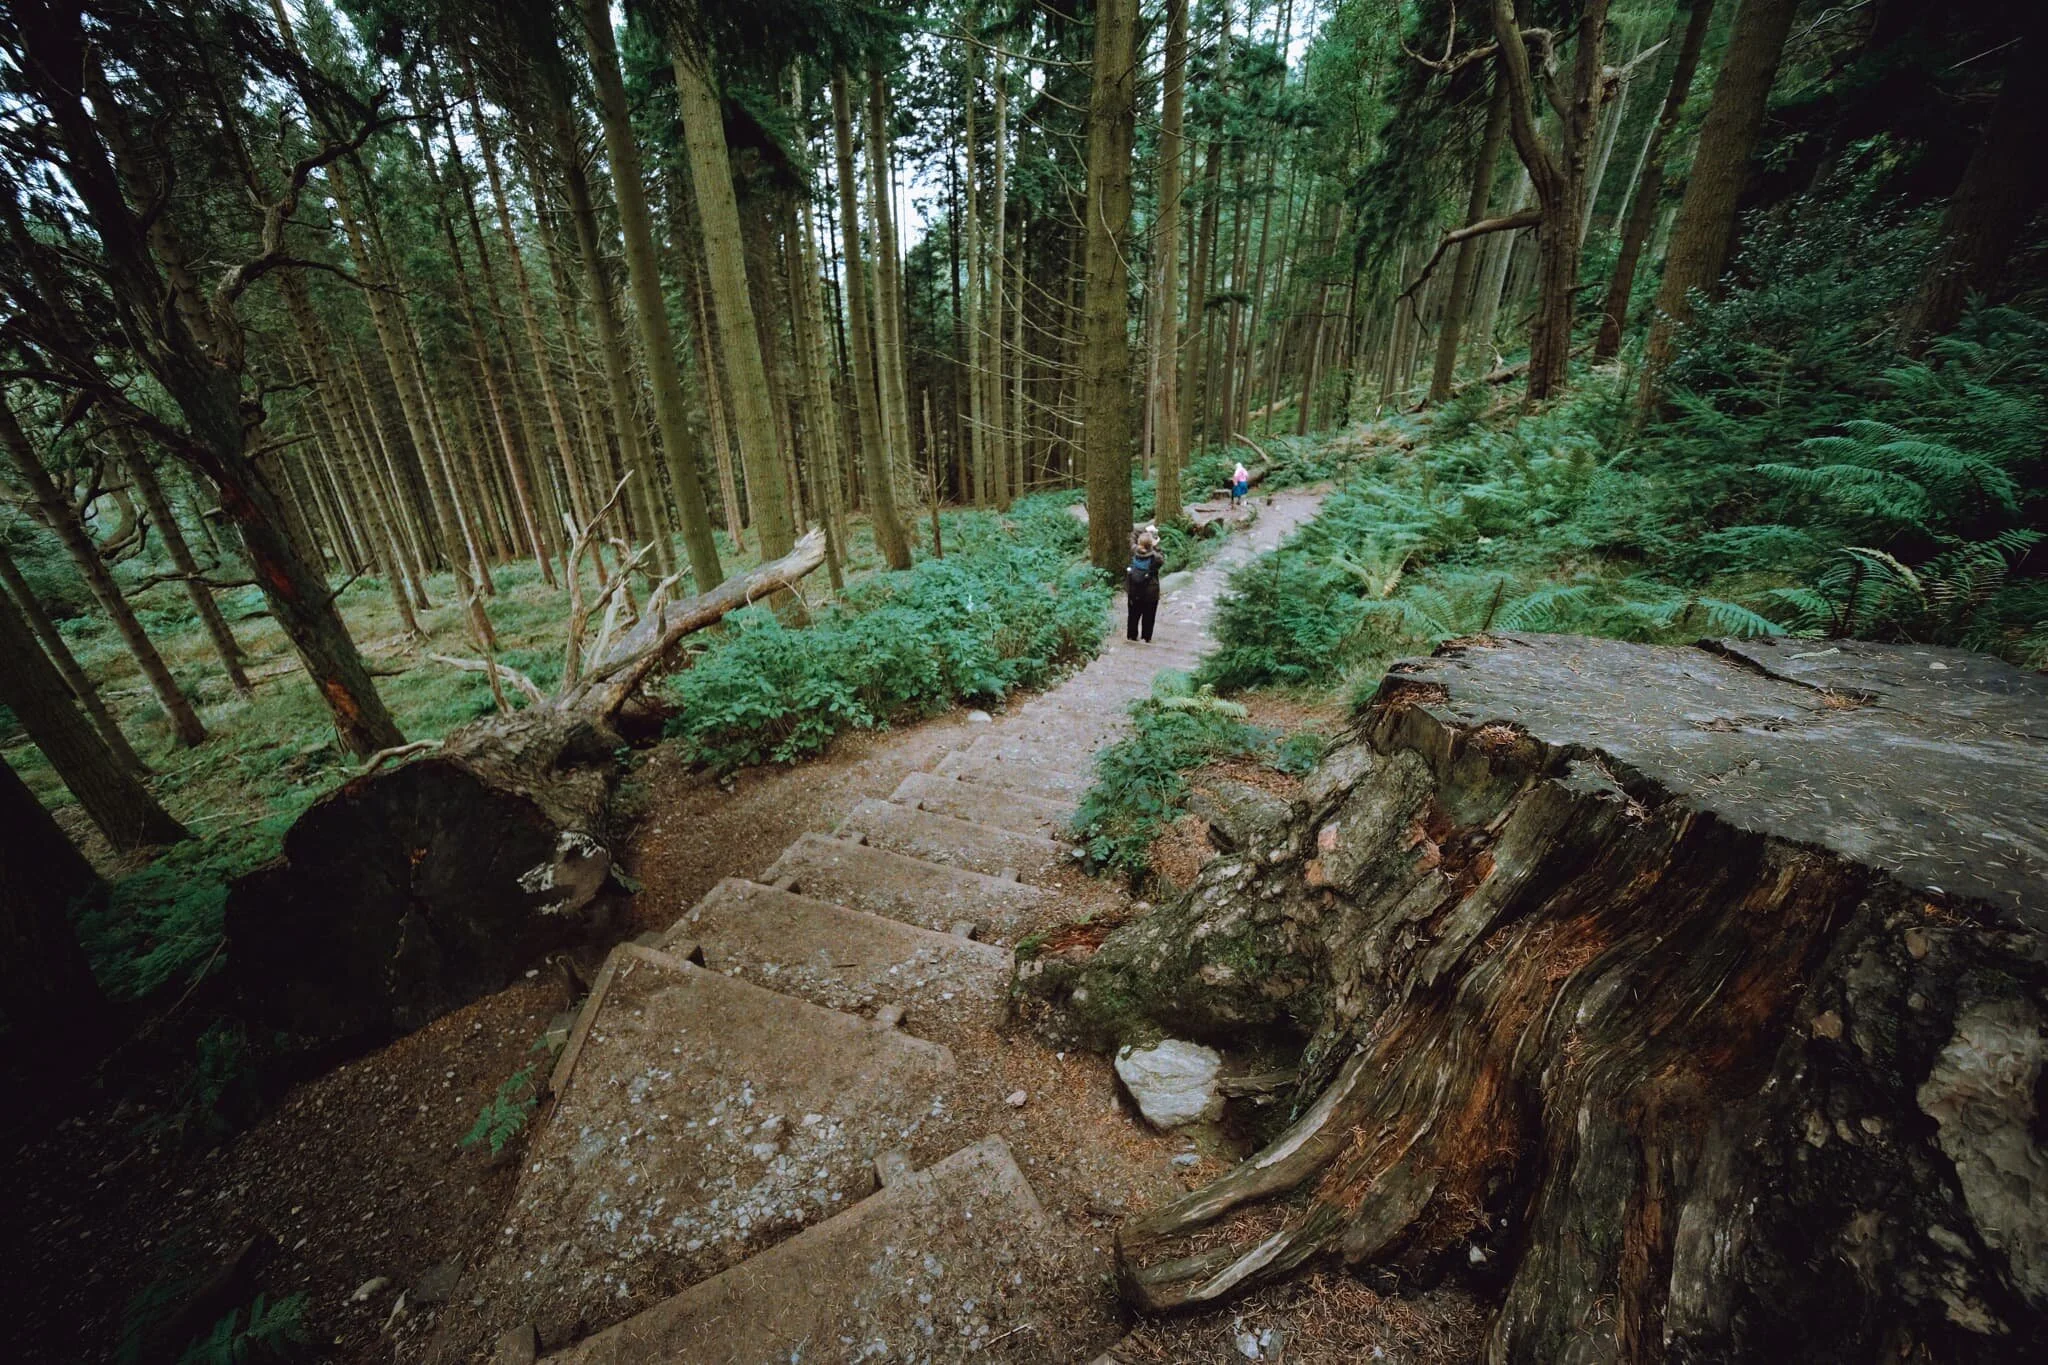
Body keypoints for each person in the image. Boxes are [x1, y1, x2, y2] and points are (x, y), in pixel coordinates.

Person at [1126, 525, 1165, 643]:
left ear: (1139, 543)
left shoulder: (1134, 551)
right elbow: (1162, 557)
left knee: (1133, 615)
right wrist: (1154, 542)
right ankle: (1146, 637)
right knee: (1149, 617)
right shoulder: (1156, 557)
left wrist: (1145, 530)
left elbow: (1132, 535)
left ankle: (1132, 637)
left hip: (1134, 590)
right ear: (1152, 545)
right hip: (1150, 593)